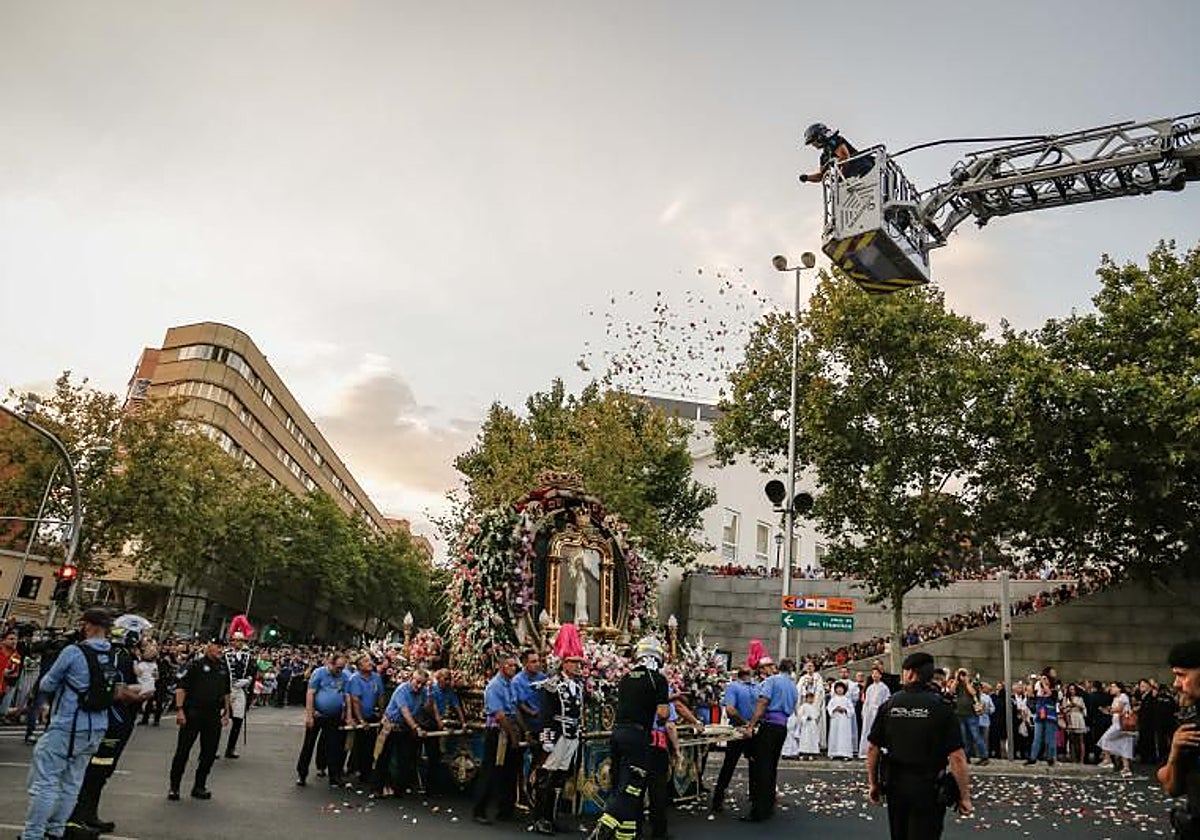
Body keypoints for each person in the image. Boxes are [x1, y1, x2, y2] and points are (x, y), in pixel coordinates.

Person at [21, 609, 129, 840]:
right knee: (72, 782)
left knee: (45, 782)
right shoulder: (112, 653)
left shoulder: (74, 651)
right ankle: (56, 830)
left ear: (88, 625)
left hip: (68, 723)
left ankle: (33, 834)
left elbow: (47, 683)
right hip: (97, 726)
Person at [866, 652, 972, 840]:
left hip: (896, 785)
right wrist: (964, 796)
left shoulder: (890, 705)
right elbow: (957, 756)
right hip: (928, 787)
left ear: (911, 674)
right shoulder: (942, 707)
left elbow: (873, 748)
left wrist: (874, 784)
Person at [65, 628, 152, 838]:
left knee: (103, 772)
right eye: (144, 639)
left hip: (123, 721)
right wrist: (142, 694)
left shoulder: (130, 659)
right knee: (97, 771)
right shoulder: (120, 658)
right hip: (115, 720)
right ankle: (77, 819)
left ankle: (90, 814)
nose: (148, 642)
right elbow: (118, 692)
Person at [594, 636, 669, 840]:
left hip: (618, 733)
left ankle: (626, 834)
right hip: (637, 736)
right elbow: (662, 713)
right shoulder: (658, 679)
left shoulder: (626, 678)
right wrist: (662, 720)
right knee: (633, 787)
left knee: (621, 783)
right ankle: (605, 824)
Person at [168, 638, 231, 802]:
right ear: (209, 647)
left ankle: (199, 785)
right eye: (217, 647)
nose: (220, 650)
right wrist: (180, 710)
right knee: (183, 751)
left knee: (209, 753)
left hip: (213, 715)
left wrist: (226, 713)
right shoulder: (195, 665)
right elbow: (181, 687)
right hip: (193, 713)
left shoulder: (223, 668)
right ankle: (174, 787)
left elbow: (226, 692)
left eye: (222, 647)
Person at [530, 648, 584, 835]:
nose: (578, 666)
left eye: (579, 662)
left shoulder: (578, 685)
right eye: (573, 661)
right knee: (546, 777)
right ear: (564, 663)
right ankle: (539, 818)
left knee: (560, 777)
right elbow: (545, 715)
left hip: (571, 734)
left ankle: (552, 817)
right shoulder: (552, 685)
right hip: (557, 734)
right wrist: (546, 738)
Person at [742, 657, 797, 822]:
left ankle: (759, 810)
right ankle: (769, 804)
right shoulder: (793, 687)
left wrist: (751, 725)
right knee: (771, 766)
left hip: (770, 725)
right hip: (782, 726)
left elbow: (763, 702)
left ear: (778, 668)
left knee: (762, 768)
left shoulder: (773, 681)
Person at [1157, 640, 1200, 839]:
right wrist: (1175, 753)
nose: (1176, 684)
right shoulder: (1189, 725)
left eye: (1182, 675)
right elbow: (1172, 787)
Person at [473, 654, 522, 825]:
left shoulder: (512, 684)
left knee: (510, 771)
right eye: (510, 665)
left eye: (515, 666)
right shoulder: (494, 686)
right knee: (491, 771)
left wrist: (522, 731)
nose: (513, 668)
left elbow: (515, 709)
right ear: (501, 667)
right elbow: (500, 715)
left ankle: (506, 809)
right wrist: (513, 736)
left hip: (511, 729)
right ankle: (480, 810)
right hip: (497, 732)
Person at [296, 651, 349, 788]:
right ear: (330, 664)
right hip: (317, 714)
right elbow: (310, 693)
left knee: (333, 746)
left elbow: (346, 695)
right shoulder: (319, 673)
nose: (339, 671)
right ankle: (302, 774)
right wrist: (309, 715)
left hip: (334, 716)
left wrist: (345, 712)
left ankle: (333, 776)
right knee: (308, 745)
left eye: (342, 668)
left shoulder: (344, 676)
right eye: (337, 667)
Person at [711, 668, 757, 812]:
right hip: (745, 729)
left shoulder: (740, 687)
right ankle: (754, 796)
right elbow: (730, 709)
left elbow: (730, 709)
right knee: (751, 764)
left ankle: (718, 798)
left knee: (730, 764)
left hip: (743, 728)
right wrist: (748, 723)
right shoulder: (750, 687)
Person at [346, 655, 385, 784]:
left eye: (370, 661)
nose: (370, 663)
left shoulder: (376, 677)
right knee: (358, 743)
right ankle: (355, 768)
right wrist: (361, 720)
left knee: (370, 743)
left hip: (371, 714)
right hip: (358, 715)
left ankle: (365, 770)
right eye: (366, 661)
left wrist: (381, 712)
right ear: (359, 666)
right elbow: (355, 701)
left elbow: (380, 696)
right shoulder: (355, 679)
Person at [798, 122, 873, 185]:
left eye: (812, 141)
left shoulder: (835, 141)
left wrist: (839, 179)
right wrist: (807, 178)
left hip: (863, 169)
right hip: (851, 178)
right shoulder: (824, 157)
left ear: (819, 137)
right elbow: (821, 176)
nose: (813, 145)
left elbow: (844, 158)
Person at [223, 630, 254, 759]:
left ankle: (231, 748)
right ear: (232, 641)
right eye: (236, 640)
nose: (238, 643)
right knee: (219, 719)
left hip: (240, 690)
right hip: (226, 689)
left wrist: (247, 680)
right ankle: (212, 748)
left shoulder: (248, 656)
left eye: (241, 641)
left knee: (238, 720)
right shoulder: (225, 654)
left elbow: (252, 671)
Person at [1098, 681, 1137, 777]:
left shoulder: (1123, 696)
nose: (1111, 689)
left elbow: (1119, 709)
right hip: (1117, 723)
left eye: (1114, 687)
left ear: (1119, 688)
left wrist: (1108, 709)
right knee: (1125, 745)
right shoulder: (1115, 698)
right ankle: (1126, 768)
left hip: (1120, 725)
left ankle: (1108, 759)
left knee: (1105, 738)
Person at [1026, 675, 1059, 767]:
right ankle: (1033, 757)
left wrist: (1043, 683)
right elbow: (1030, 695)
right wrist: (1031, 682)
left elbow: (1050, 693)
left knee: (1050, 739)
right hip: (1039, 716)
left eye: (1045, 678)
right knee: (1037, 738)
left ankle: (1050, 757)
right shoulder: (1038, 692)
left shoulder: (1054, 691)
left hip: (1050, 717)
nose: (1042, 680)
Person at [859, 667, 892, 758]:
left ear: (880, 675)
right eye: (873, 673)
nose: (875, 675)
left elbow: (886, 701)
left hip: (878, 711)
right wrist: (864, 711)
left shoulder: (884, 687)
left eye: (877, 673)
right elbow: (866, 701)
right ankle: (865, 751)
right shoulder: (869, 687)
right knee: (868, 730)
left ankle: (880, 750)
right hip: (869, 712)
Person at [827, 681, 856, 759]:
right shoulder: (833, 699)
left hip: (844, 720)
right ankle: (834, 752)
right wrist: (834, 709)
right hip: (835, 720)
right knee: (834, 734)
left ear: (844, 690)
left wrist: (845, 709)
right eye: (838, 688)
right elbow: (829, 708)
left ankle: (845, 753)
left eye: (841, 688)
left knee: (844, 736)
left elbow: (852, 710)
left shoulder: (847, 700)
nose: (839, 690)